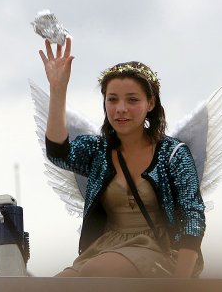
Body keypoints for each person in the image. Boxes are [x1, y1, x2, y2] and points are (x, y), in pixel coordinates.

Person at [39, 37, 206, 278]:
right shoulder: (99, 150)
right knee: (54, 285)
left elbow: (193, 214)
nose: (121, 108)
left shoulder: (173, 154)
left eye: (132, 100)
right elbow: (59, 153)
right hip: (105, 249)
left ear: (150, 103)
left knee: (97, 270)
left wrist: (180, 283)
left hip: (161, 252)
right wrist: (58, 88)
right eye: (112, 99)